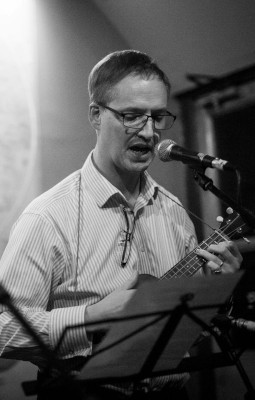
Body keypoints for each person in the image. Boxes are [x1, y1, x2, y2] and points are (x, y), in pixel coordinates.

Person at [0, 50, 242, 399]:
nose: (148, 132)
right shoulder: (48, 216)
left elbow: (188, 331)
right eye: (131, 116)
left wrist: (216, 297)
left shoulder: (173, 210)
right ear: (96, 115)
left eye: (158, 117)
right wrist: (92, 316)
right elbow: (4, 329)